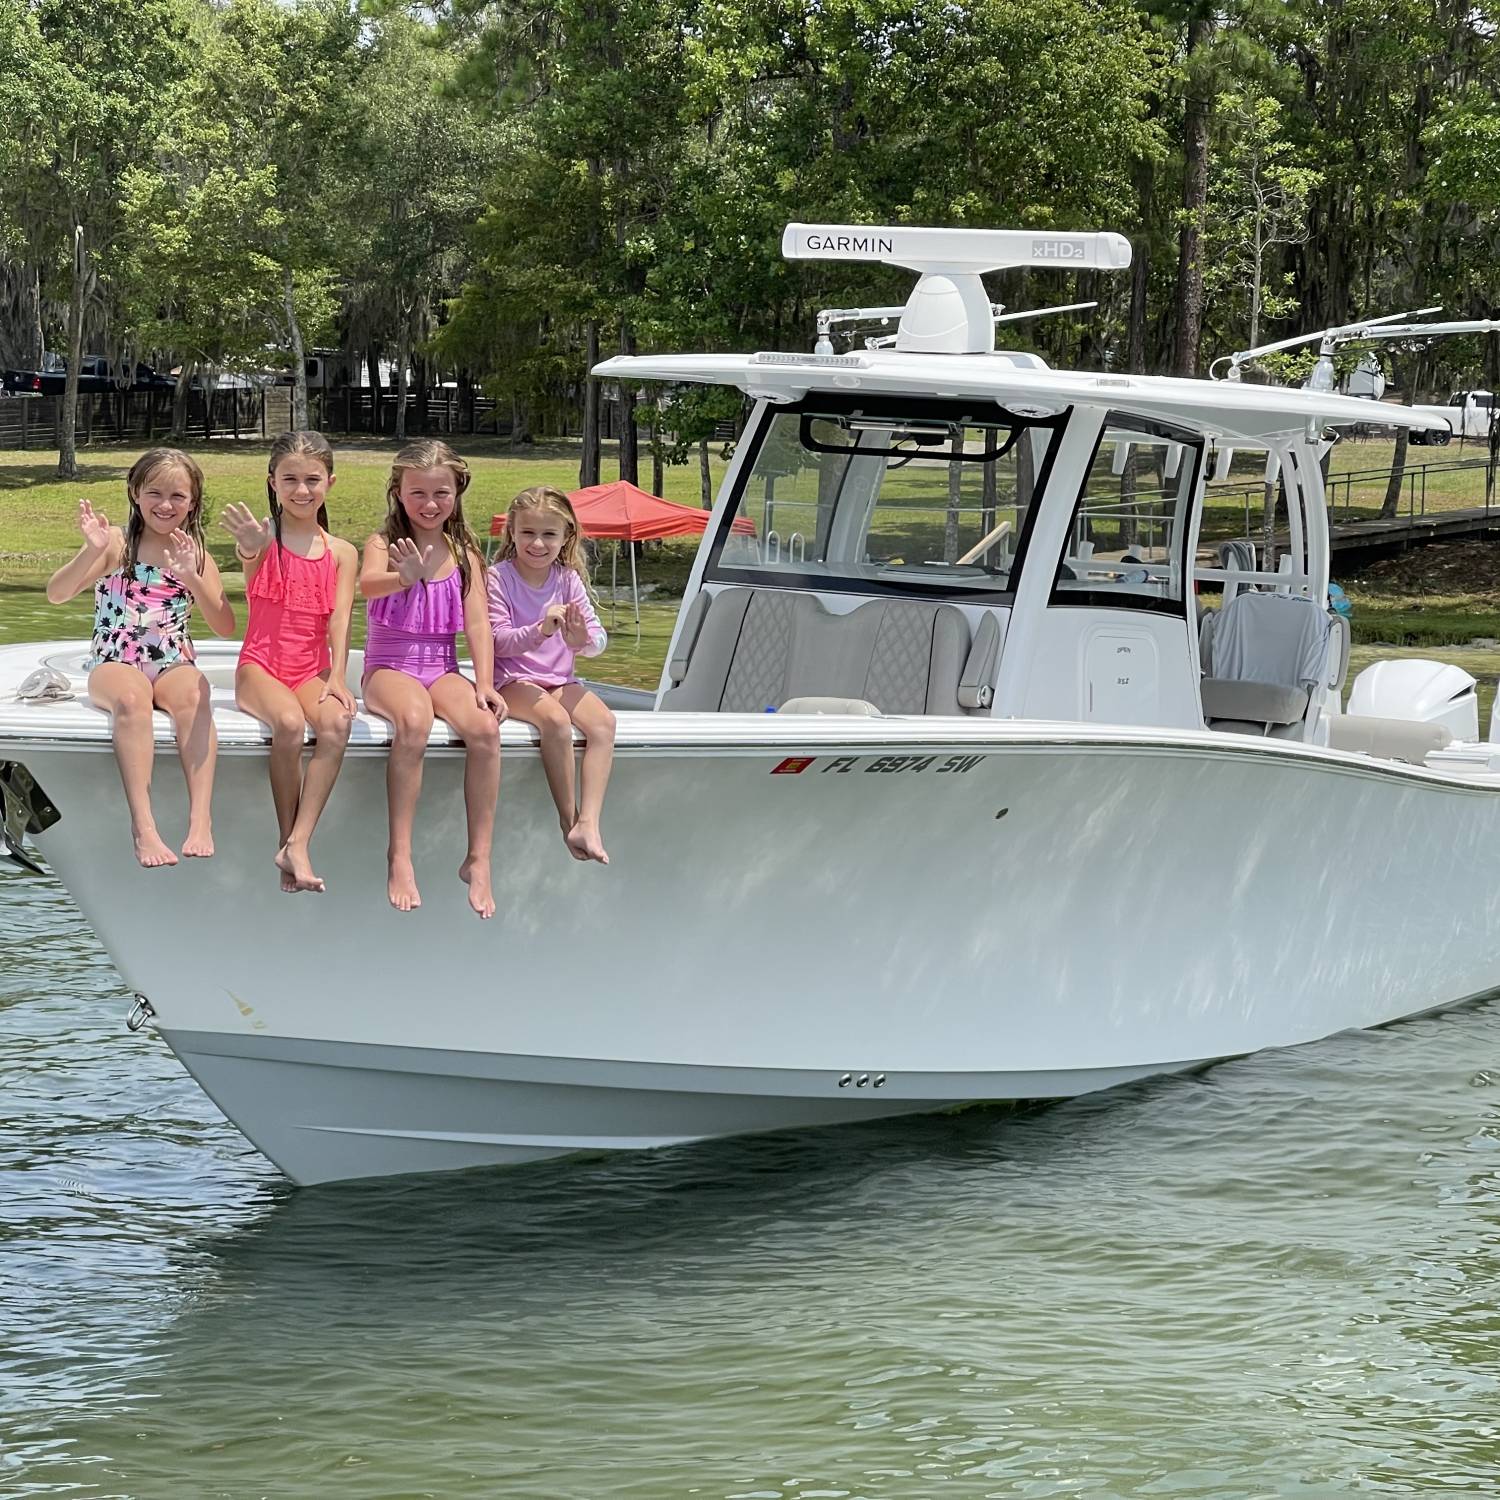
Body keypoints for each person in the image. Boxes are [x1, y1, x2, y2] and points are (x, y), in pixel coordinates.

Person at [46, 448, 235, 867]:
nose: (165, 505)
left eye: (178, 496)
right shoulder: (116, 543)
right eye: (155, 493)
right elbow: (56, 595)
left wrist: (193, 578)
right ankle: (143, 826)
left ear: (193, 502)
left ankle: (200, 817)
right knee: (132, 701)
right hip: (116, 659)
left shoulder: (196, 553)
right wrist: (89, 551)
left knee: (196, 693)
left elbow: (224, 624)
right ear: (135, 492)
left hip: (172, 658)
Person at [359, 440, 504, 917]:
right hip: (389, 666)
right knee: (415, 721)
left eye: (440, 492)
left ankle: (478, 858)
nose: (429, 503)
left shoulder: (465, 553)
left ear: (457, 492)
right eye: (417, 492)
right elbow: (366, 586)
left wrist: (484, 682)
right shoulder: (383, 544)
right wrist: (405, 577)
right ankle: (399, 854)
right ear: (399, 493)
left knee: (484, 729)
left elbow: (478, 622)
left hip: (442, 666)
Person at [221, 431, 359, 894]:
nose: (302, 490)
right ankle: (286, 839)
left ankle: (299, 842)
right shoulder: (264, 539)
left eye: (312, 480)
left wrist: (337, 676)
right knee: (288, 723)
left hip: (311, 669)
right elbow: (247, 562)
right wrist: (249, 547)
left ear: (330, 483)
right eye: (291, 479)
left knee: (337, 723)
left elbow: (340, 620)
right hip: (260, 666)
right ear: (273, 483)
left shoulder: (342, 552)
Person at [488, 486, 615, 865]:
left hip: (559, 681)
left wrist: (582, 641)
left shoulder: (568, 580)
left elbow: (596, 638)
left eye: (549, 535)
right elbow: (497, 641)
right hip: (512, 682)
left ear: (565, 538)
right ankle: (568, 821)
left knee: (604, 724)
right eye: (528, 533)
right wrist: (540, 631)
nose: (538, 543)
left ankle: (589, 822)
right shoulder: (498, 577)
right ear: (511, 532)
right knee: (556, 723)